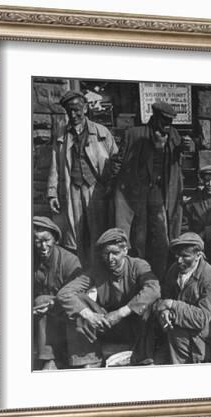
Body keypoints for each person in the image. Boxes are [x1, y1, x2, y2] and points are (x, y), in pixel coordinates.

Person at [53, 228, 160, 368]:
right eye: (106, 254)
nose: (110, 259)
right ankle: (88, 361)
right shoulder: (97, 270)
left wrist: (121, 312)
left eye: (115, 253)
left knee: (150, 303)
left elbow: (154, 289)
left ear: (125, 251)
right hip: (107, 323)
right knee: (79, 301)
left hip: (136, 325)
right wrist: (90, 315)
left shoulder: (138, 265)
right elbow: (65, 293)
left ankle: (144, 358)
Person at [112, 101, 186, 280]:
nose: (167, 124)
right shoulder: (134, 134)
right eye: (164, 120)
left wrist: (184, 147)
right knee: (138, 236)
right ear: (154, 117)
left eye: (170, 121)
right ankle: (136, 276)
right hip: (134, 193)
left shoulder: (173, 135)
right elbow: (118, 162)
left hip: (159, 192)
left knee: (161, 237)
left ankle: (159, 277)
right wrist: (112, 185)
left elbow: (177, 159)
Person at [47, 90, 119, 268]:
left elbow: (116, 161)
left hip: (97, 189)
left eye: (77, 109)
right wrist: (52, 193)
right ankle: (79, 272)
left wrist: (112, 187)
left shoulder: (101, 132)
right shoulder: (61, 135)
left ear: (85, 109)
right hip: (72, 189)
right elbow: (55, 166)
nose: (73, 114)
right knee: (75, 233)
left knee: (98, 231)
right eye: (69, 110)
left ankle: (99, 272)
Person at [145, 233, 211, 364]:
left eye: (185, 256)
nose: (179, 260)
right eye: (177, 255)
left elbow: (202, 319)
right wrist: (164, 312)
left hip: (203, 337)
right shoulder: (174, 270)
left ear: (198, 255)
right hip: (175, 332)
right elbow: (164, 297)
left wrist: (171, 305)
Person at [32, 216, 82, 370]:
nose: (42, 246)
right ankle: (48, 359)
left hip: (67, 313)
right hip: (41, 316)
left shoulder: (69, 261)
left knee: (42, 300)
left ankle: (57, 359)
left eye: (46, 240)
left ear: (55, 239)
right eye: (37, 241)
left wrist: (53, 303)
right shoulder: (30, 259)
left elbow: (79, 296)